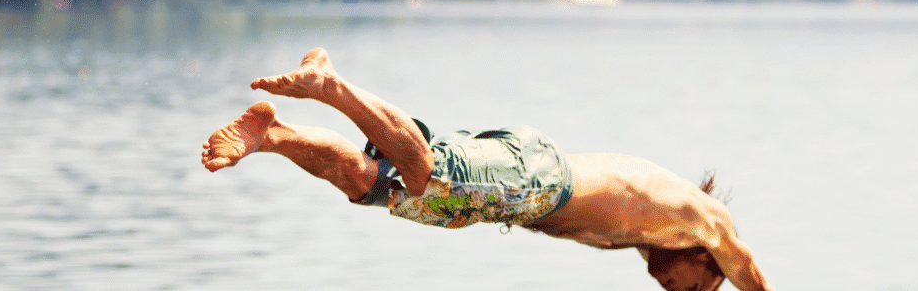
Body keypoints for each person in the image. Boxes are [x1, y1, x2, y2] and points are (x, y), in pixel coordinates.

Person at [201, 48, 773, 291]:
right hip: (537, 180)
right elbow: (749, 272)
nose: (663, 285)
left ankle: (273, 135)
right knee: (428, 172)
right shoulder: (704, 222)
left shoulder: (653, 237)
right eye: (696, 289)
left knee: (371, 184)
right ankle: (333, 85)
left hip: (513, 197)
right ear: (707, 259)